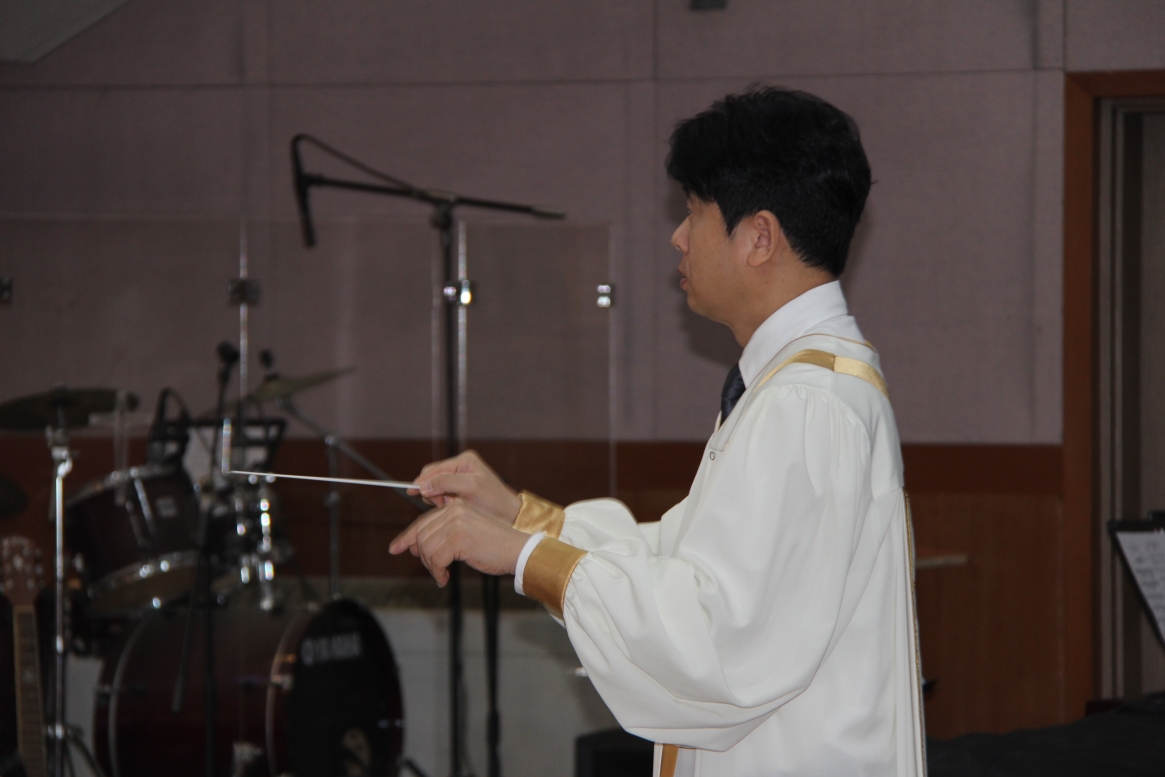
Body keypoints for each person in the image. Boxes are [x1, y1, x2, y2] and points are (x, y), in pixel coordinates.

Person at [389, 86, 925, 777]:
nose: (677, 236)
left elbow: (715, 639)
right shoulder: (798, 383)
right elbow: (684, 561)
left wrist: (523, 556)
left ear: (758, 237)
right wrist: (521, 518)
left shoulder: (805, 402)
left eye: (693, 212)